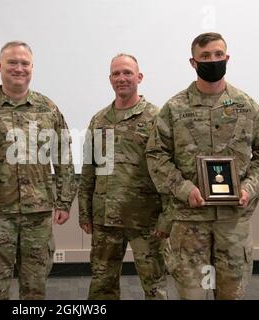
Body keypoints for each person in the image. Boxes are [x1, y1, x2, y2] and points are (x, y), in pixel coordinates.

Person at [146, 32, 259, 299]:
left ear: (227, 58)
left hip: (232, 223)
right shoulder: (174, 108)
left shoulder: (246, 106)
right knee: (192, 295)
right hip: (189, 222)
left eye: (218, 55)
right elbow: (156, 155)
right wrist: (185, 189)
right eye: (205, 56)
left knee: (231, 294)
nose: (213, 60)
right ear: (193, 62)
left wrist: (249, 188)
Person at [0, 41, 77, 300]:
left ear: (32, 67)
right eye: (12, 62)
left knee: (35, 288)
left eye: (24, 63)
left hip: (37, 215)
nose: (18, 68)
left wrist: (64, 201)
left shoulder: (48, 108)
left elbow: (63, 158)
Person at [78, 54, 168, 300]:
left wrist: (166, 218)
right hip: (105, 218)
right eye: (116, 74)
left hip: (146, 220)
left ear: (139, 77)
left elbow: (168, 171)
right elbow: (89, 169)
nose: (121, 78)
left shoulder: (156, 118)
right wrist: (85, 212)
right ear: (110, 79)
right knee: (101, 286)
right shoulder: (99, 120)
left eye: (127, 72)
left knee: (155, 286)